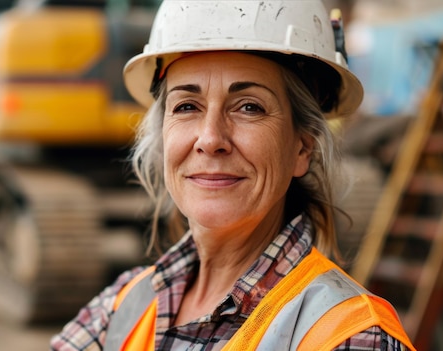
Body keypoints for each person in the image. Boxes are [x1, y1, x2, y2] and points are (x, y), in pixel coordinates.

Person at [51, 0, 416, 350]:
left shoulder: (350, 335)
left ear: (301, 148)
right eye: (187, 106)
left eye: (249, 107)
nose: (210, 139)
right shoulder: (126, 303)